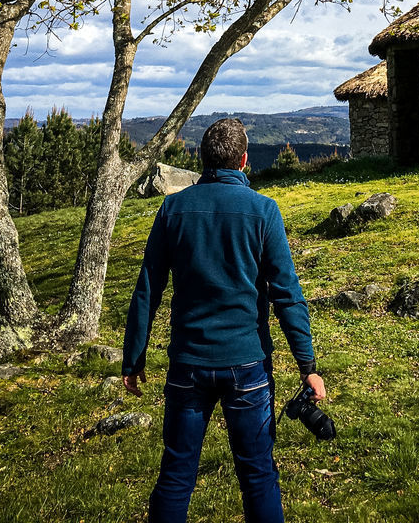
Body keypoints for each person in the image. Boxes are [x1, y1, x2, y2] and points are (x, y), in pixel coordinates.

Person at [122, 117, 326, 523]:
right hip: (247, 364)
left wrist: (133, 359)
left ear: (202, 160)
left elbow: (148, 287)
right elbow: (287, 294)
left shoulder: (172, 209)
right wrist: (308, 367)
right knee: (257, 475)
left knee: (176, 475)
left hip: (188, 363)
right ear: (244, 161)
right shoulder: (263, 211)